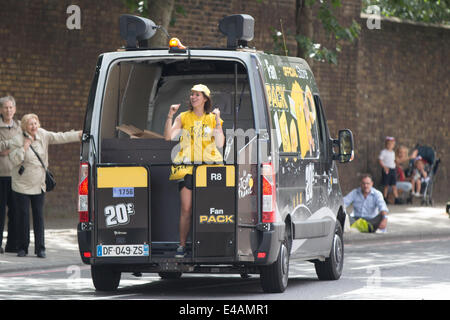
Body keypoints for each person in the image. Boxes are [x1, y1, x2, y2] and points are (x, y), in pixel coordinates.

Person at [3, 113, 81, 258]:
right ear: (25, 126)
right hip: (21, 185)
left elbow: (60, 137)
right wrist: (24, 147)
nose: (34, 126)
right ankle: (22, 248)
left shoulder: (43, 134)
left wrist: (78, 135)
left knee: (39, 216)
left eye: (35, 123)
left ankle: (40, 248)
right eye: (30, 124)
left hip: (39, 184)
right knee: (23, 217)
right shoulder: (16, 140)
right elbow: (14, 161)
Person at [164, 84, 224, 258]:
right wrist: (170, 115)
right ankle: (182, 246)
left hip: (209, 168)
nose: (193, 97)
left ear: (205, 98)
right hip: (187, 168)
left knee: (210, 209)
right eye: (191, 94)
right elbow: (168, 137)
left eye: (197, 95)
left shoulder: (213, 118)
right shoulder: (183, 117)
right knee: (186, 208)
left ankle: (211, 245)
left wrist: (218, 120)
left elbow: (220, 143)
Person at [0, 96, 21, 253]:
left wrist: (7, 149)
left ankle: (12, 245)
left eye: (11, 107)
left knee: (15, 212)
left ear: (14, 109)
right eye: (5, 107)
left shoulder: (20, 126)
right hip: (1, 175)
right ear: (1, 110)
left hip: (16, 176)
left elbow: (23, 147)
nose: (8, 110)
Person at [378, 136, 403, 204]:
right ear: (386, 144)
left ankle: (396, 198)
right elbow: (380, 160)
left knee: (394, 185)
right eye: (389, 144)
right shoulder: (384, 152)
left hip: (393, 169)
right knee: (386, 185)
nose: (390, 145)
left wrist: (398, 166)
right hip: (387, 169)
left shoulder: (393, 153)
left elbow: (393, 161)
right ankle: (385, 198)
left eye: (392, 144)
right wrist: (384, 167)